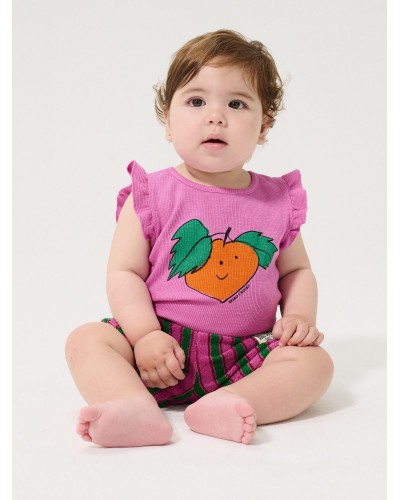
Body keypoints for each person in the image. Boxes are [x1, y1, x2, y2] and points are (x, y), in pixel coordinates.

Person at [65, 29, 334, 447]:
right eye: (196, 101)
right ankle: (132, 404)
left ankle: (232, 402)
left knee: (315, 364)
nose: (216, 116)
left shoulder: (276, 200)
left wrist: (299, 316)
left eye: (236, 104)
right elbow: (124, 273)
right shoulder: (152, 193)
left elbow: (296, 271)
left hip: (248, 353)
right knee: (87, 339)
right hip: (159, 349)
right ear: (168, 122)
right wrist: (144, 335)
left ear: (263, 127)